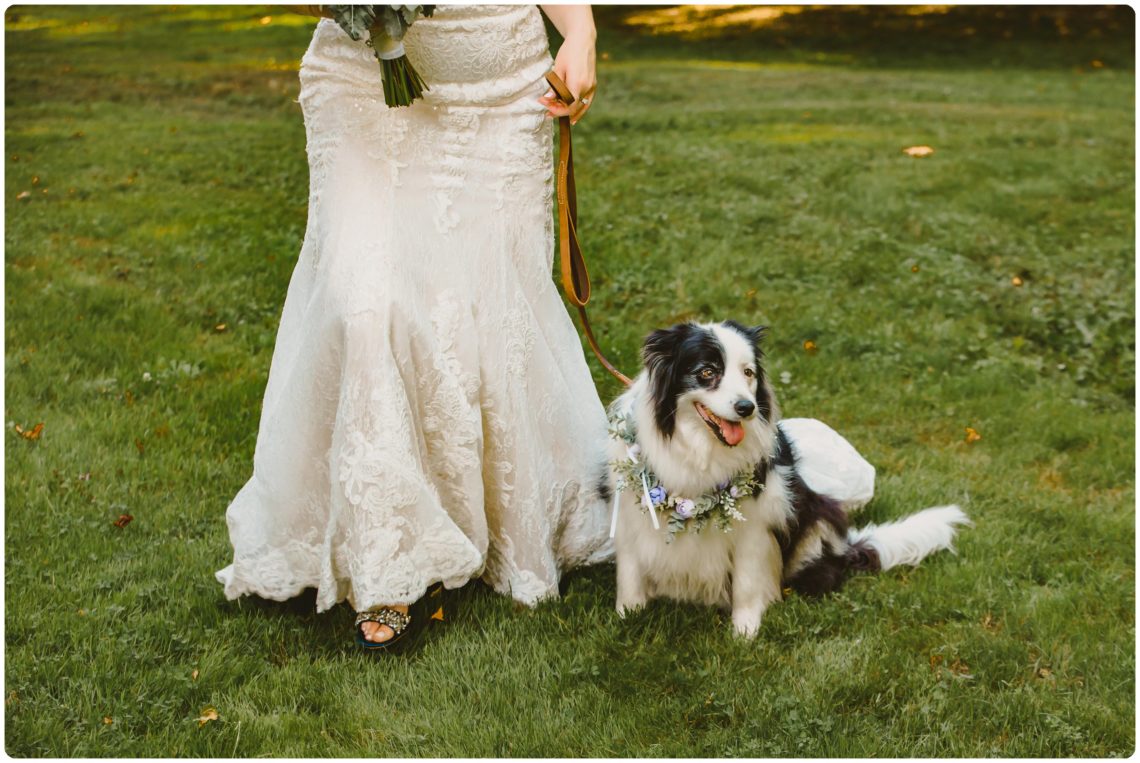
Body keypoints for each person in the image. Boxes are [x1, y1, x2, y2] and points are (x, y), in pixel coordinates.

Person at [215, 5, 612, 648]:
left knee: (482, 305)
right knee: (365, 301)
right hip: (361, 85)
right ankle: (389, 560)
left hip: (504, 90)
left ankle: (490, 521)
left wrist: (583, 33)